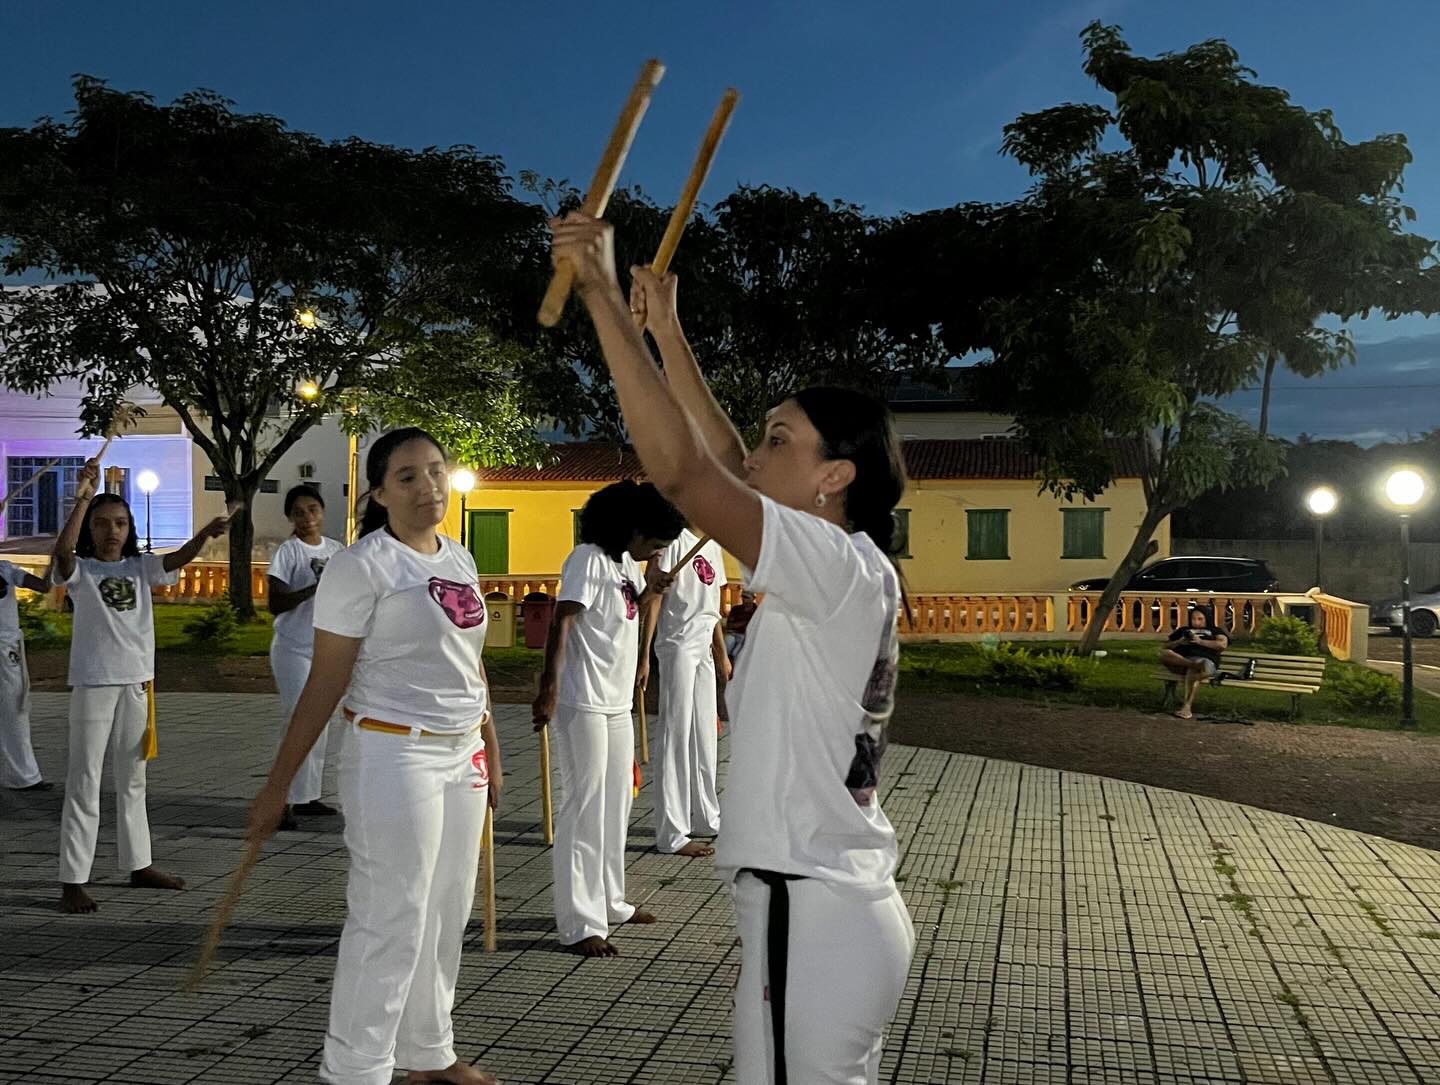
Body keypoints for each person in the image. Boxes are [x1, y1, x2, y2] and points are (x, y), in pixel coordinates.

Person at [550, 213, 916, 1083]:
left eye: (779, 440)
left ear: (836, 477)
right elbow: (719, 459)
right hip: (813, 908)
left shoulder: (832, 562)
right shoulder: (841, 564)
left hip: (812, 908)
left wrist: (601, 297)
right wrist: (666, 329)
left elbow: (690, 475)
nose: (757, 454)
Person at [250, 428, 501, 1085]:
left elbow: (471, 668)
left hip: (460, 756)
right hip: (393, 753)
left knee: (446, 911)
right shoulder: (363, 565)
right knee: (391, 914)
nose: (429, 487)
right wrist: (279, 783)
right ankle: (355, 1069)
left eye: (437, 471)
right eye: (410, 477)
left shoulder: (459, 558)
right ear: (380, 493)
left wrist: (490, 748)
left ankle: (428, 1051)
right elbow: (326, 680)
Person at [54, 459, 230, 914]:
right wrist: (82, 499)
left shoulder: (139, 568)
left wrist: (204, 534)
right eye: (101, 523)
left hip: (137, 684)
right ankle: (73, 878)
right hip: (93, 683)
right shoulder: (82, 572)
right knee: (85, 780)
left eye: (119, 523)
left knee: (133, 779)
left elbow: (175, 560)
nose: (111, 530)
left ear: (129, 527)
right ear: (90, 528)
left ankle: (139, 864)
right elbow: (62, 557)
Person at [532, 479, 683, 957]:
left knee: (616, 803)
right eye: (652, 543)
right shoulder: (588, 560)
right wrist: (549, 688)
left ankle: (610, 899)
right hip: (583, 702)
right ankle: (579, 921)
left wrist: (651, 589)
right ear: (630, 528)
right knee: (584, 807)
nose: (652, 552)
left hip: (615, 701)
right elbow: (564, 620)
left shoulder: (621, 564)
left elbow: (627, 610)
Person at [639, 523, 729, 858]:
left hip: (703, 646)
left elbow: (714, 612)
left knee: (705, 734)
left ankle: (707, 817)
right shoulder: (673, 541)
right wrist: (644, 654)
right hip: (677, 646)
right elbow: (654, 598)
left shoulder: (713, 545)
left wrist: (721, 655)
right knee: (675, 735)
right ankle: (672, 833)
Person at [267, 484, 345, 830]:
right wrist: (315, 588)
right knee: (297, 719)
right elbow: (276, 601)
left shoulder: (338, 551)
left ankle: (307, 795)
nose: (307, 517)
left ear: (322, 512)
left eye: (313, 509)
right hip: (293, 648)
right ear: (290, 517)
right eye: (299, 512)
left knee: (321, 722)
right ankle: (281, 799)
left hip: (325, 649)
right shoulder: (289, 552)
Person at [1, 559, 53, 791]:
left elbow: (44, 587)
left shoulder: (5, 569)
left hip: (6, 647)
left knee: (14, 709)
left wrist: (55, 562)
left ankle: (24, 775)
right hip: (7, 646)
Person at [1161, 605, 1229, 720]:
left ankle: (1186, 707)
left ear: (1207, 618)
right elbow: (1165, 646)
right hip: (1183, 662)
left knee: (1195, 669)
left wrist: (1200, 641)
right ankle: (1193, 665)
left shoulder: (1215, 631)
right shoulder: (1183, 630)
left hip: (1205, 661)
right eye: (1193, 619)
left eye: (1200, 619)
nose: (1196, 622)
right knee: (1164, 653)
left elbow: (1222, 645)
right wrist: (1179, 642)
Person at [723, 589, 758, 663]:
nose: (744, 599)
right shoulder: (736, 609)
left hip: (747, 636)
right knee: (727, 646)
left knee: (737, 654)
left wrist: (739, 625)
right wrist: (744, 623)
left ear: (753, 598)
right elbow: (729, 625)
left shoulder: (757, 611)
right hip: (733, 634)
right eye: (743, 597)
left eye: (747, 597)